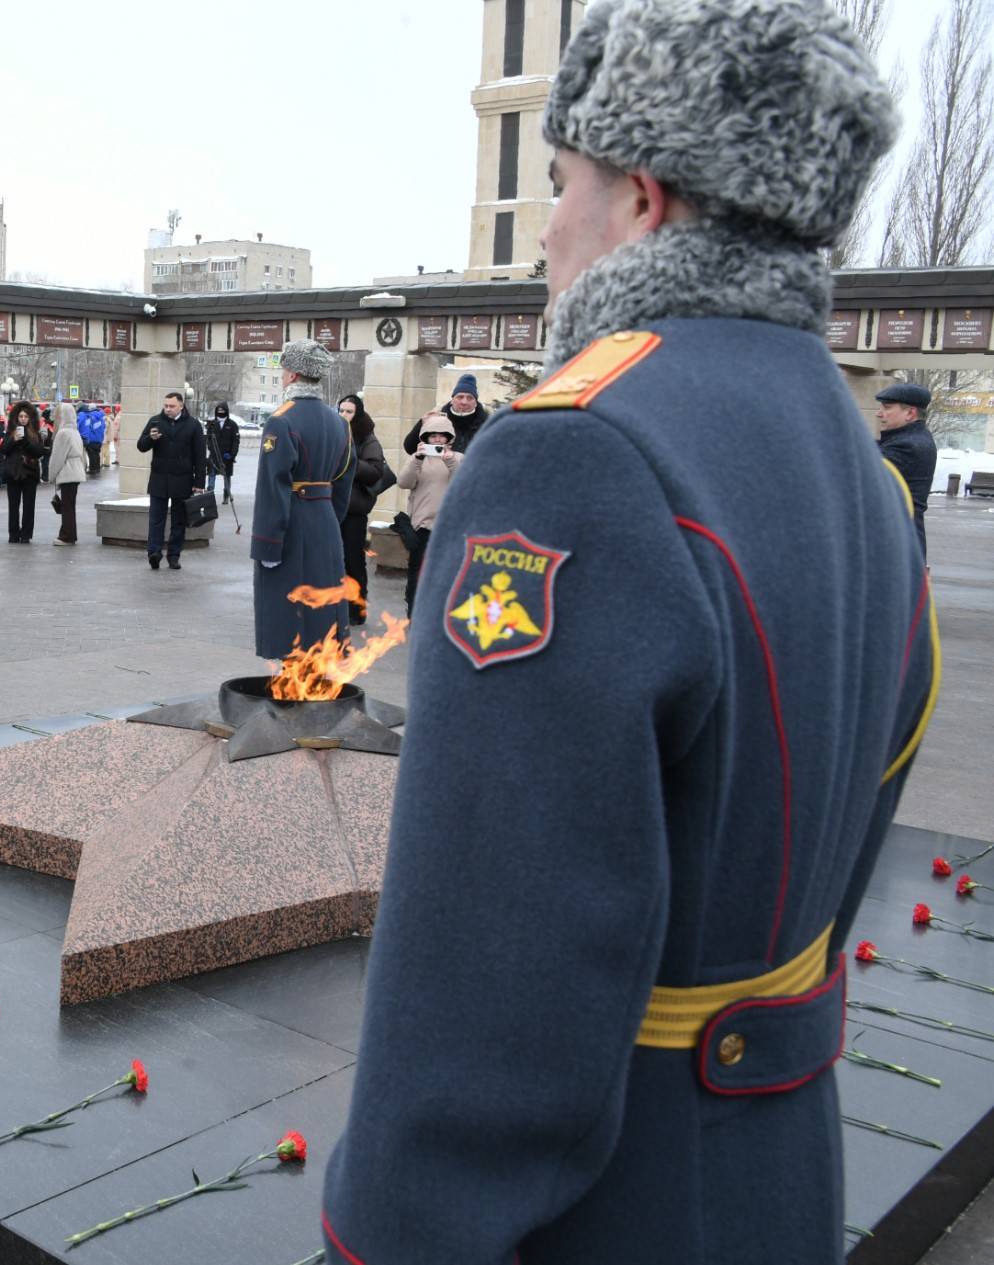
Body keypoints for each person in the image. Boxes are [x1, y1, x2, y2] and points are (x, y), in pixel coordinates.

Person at [320, 5, 931, 1264]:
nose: (546, 231)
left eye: (561, 184)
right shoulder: (858, 460)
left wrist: (395, 1234)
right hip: (775, 1169)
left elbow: (495, 941)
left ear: (643, 200)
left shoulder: (576, 450)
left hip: (606, 1201)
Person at [251, 341, 352, 658]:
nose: (283, 376)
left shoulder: (282, 420)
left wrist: (268, 544)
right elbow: (344, 480)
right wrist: (329, 519)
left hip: (292, 525)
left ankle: (294, 672)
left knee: (288, 608)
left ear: (293, 375)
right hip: (325, 522)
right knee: (322, 604)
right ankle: (318, 666)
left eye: (284, 370)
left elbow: (273, 486)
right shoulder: (339, 422)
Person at [392, 412, 460, 613]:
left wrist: (450, 461)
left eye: (442, 435)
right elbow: (403, 482)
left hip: (448, 528)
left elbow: (464, 483)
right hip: (422, 526)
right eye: (433, 435)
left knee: (445, 574)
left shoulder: (458, 458)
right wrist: (417, 459)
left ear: (449, 437)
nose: (437, 439)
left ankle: (439, 615)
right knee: (417, 574)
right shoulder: (417, 459)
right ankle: (414, 615)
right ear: (425, 438)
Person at [137, 391, 205, 570]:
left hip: (182, 481)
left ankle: (174, 556)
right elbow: (141, 446)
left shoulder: (193, 425)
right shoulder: (155, 421)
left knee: (178, 522)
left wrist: (199, 483)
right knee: (156, 520)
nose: (168, 409)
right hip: (159, 480)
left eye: (172, 406)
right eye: (166, 406)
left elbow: (200, 456)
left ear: (181, 406)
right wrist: (150, 438)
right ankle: (154, 553)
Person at [338, 394, 390, 623]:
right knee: (333, 559)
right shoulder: (334, 433)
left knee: (353, 561)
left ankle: (357, 609)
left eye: (349, 411)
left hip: (354, 509)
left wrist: (350, 462)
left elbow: (375, 471)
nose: (344, 415)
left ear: (357, 414)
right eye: (341, 410)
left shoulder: (367, 437)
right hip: (333, 506)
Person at [876, 381, 937, 559]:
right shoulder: (910, 439)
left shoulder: (908, 446)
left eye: (887, 407)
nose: (880, 413)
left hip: (897, 544)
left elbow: (862, 477)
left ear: (910, 413)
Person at [403, 372, 487, 456]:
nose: (464, 402)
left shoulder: (486, 423)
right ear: (452, 400)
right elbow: (410, 449)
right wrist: (421, 425)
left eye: (470, 398)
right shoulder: (437, 419)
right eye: (460, 397)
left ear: (476, 403)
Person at [1, 400, 46, 544]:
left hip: (30, 473)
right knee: (13, 506)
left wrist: (25, 441)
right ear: (16, 417)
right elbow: (3, 449)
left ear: (30, 418)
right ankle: (13, 534)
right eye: (21, 416)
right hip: (13, 473)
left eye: (26, 416)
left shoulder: (35, 433)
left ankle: (26, 535)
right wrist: (13, 440)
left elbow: (39, 452)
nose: (23, 419)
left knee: (29, 506)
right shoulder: (11, 432)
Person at [48, 400, 87, 545]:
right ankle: (70, 534)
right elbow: (82, 455)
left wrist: (51, 475)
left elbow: (57, 458)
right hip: (76, 473)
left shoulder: (63, 433)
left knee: (67, 506)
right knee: (70, 505)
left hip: (68, 473)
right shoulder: (75, 432)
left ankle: (66, 536)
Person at [211, 403, 242, 505]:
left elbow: (236, 441)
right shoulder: (212, 424)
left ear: (226, 411)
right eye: (219, 410)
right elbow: (208, 439)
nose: (220, 412)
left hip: (227, 456)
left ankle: (226, 495)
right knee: (211, 476)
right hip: (214, 456)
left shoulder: (232, 425)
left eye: (222, 410)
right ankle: (209, 497)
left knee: (227, 477)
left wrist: (232, 455)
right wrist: (211, 449)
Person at [78, 401, 106, 476]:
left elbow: (88, 427)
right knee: (97, 453)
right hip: (99, 438)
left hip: (91, 438)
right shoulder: (101, 417)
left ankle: (92, 469)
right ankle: (97, 468)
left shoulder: (90, 416)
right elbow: (104, 427)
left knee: (91, 454)